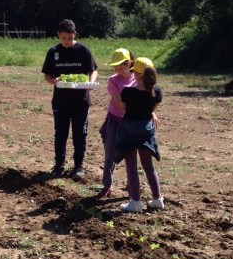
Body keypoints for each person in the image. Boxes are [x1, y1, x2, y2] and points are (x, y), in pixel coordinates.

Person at [41, 19, 98, 181]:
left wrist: (90, 83)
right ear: (58, 35)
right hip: (60, 101)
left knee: (80, 134)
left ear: (75, 35)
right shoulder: (53, 52)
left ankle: (78, 166)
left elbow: (93, 70)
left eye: (70, 38)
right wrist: (53, 81)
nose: (67, 41)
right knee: (61, 133)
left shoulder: (83, 50)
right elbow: (47, 74)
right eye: (64, 38)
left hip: (81, 101)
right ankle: (59, 165)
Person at [113, 57, 164, 213]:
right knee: (148, 166)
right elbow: (151, 110)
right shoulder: (156, 93)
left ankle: (135, 201)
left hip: (129, 130)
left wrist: (114, 92)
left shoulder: (127, 92)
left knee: (131, 167)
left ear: (136, 74)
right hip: (146, 130)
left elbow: (122, 107)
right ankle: (157, 199)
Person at [96, 48, 136, 199]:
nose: (118, 70)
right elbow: (119, 104)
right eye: (115, 67)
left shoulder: (138, 79)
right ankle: (107, 185)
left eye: (121, 66)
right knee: (110, 153)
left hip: (131, 122)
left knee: (130, 155)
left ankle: (132, 186)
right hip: (115, 119)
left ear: (129, 63)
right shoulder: (113, 80)